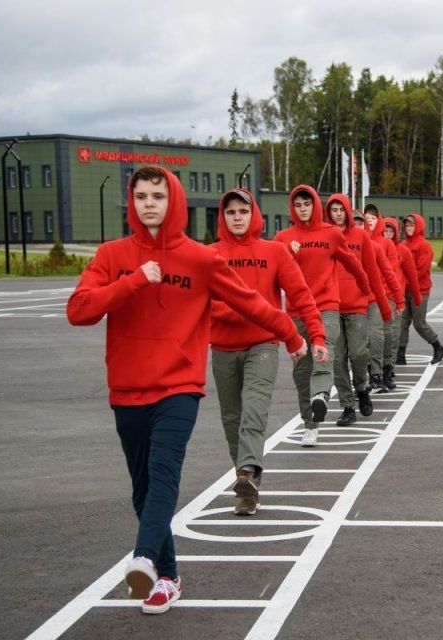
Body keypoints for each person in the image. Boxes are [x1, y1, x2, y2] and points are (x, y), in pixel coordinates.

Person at [66, 166, 306, 614]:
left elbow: (252, 301)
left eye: (158, 195)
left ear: (172, 199)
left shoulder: (200, 258)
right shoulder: (112, 254)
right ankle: (169, 576)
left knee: (163, 472)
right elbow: (79, 311)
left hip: (179, 385)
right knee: (142, 488)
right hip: (127, 387)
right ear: (132, 202)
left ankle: (142, 559)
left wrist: (292, 336)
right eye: (140, 196)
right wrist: (135, 280)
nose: (149, 203)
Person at [209, 188, 326, 515]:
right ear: (223, 217)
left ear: (253, 214)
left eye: (242, 212)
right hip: (222, 347)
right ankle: (247, 486)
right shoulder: (211, 254)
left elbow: (301, 296)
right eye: (230, 212)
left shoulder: (274, 251)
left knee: (254, 410)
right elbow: (200, 303)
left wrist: (316, 334)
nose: (236, 218)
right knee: (231, 418)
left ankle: (247, 471)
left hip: (263, 344)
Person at [275, 185, 370, 447]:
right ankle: (310, 423)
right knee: (301, 371)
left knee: (324, 347)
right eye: (298, 205)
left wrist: (365, 288)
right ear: (293, 208)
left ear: (315, 205)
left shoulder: (331, 234)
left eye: (307, 203)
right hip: (296, 311)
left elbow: (353, 263)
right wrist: (289, 254)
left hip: (327, 306)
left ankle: (322, 394)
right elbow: (272, 274)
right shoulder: (283, 238)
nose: (303, 209)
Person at [324, 195, 393, 426]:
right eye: (333, 210)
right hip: (330, 307)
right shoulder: (325, 235)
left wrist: (384, 306)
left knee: (358, 353)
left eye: (340, 209)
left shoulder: (360, 236)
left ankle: (362, 387)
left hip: (357, 306)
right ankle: (347, 405)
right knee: (338, 359)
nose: (337, 214)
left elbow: (373, 273)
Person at [363, 204, 410, 391]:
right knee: (369, 337)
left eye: (373, 218)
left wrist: (396, 297)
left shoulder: (387, 244)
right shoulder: (361, 240)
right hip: (365, 297)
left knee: (386, 334)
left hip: (385, 296)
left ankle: (387, 368)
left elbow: (390, 271)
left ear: (379, 220)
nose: (369, 221)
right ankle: (372, 371)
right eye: (366, 218)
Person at [397, 213, 443, 365]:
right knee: (402, 323)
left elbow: (421, 270)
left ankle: (438, 347)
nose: (409, 228)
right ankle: (400, 354)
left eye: (412, 225)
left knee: (419, 323)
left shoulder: (424, 245)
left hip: (420, 290)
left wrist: (404, 281)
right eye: (406, 225)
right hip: (405, 290)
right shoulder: (403, 245)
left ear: (418, 226)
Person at [383, 217, 424, 371]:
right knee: (379, 335)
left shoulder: (403, 250)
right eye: (385, 230)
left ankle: (389, 366)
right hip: (378, 297)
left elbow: (412, 274)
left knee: (394, 334)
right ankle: (377, 366)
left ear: (395, 232)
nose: (387, 234)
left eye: (390, 231)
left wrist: (417, 294)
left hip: (394, 297)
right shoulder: (376, 246)